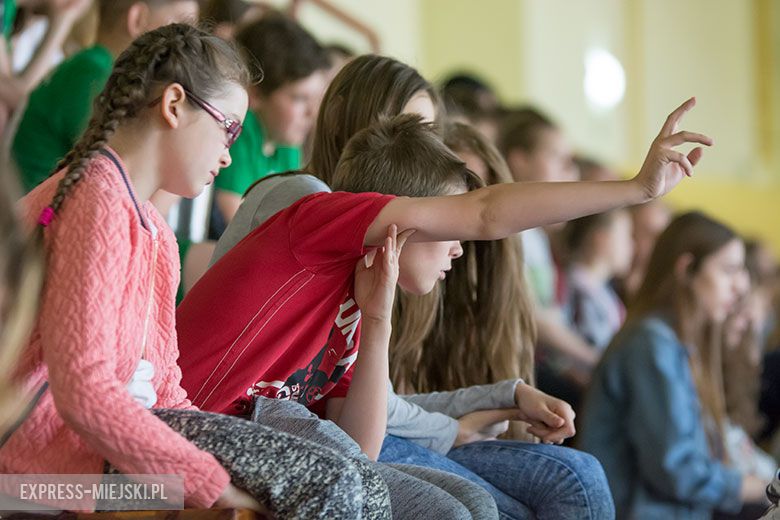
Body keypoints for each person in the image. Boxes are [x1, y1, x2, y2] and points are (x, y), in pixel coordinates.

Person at [180, 53, 713, 518]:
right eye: (443, 223)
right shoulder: (316, 214)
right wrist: (635, 189)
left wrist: (379, 318)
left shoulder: (363, 287)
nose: (456, 243)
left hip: (268, 429)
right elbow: (483, 215)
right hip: (202, 422)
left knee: (483, 502)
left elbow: (360, 444)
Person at [2, 24, 391, 518]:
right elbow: (84, 392)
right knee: (328, 483)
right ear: (173, 105)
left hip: (110, 448)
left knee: (360, 479)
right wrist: (207, 482)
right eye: (228, 128)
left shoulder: (154, 230)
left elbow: (167, 388)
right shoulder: (96, 198)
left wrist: (203, 465)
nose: (228, 154)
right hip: (50, 473)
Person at [579, 211, 769, 519]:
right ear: (687, 269)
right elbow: (675, 471)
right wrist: (763, 486)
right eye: (728, 270)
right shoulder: (651, 344)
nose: (740, 287)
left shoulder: (673, 341)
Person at [11, 0, 200, 193]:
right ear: (137, 19)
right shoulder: (93, 72)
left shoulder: (94, 65)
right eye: (180, 28)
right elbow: (120, 190)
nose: (193, 47)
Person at [211, 12, 330, 231]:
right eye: (300, 98)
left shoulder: (287, 146)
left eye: (315, 99)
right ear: (255, 93)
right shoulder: (240, 134)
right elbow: (237, 227)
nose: (312, 113)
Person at [563, 209, 633, 351]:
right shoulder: (579, 290)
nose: (633, 245)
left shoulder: (602, 290)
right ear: (602, 239)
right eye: (627, 236)